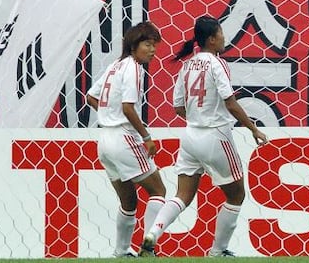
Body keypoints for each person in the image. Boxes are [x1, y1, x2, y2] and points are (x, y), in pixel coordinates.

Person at [138, 16, 267, 257]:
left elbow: (178, 106)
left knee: (182, 195)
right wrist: (253, 129)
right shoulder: (217, 64)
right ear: (211, 39)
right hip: (215, 135)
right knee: (236, 194)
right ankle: (218, 251)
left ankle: (153, 233)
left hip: (190, 136)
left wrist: (198, 114)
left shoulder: (188, 65)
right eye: (221, 34)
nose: (224, 38)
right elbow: (231, 103)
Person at [86, 21, 166, 257]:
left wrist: (107, 115)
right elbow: (129, 108)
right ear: (134, 46)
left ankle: (121, 251)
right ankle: (148, 248)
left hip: (105, 142)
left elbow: (92, 96)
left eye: (154, 45)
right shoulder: (133, 68)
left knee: (128, 201)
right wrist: (147, 137)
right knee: (158, 190)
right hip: (123, 138)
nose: (152, 50)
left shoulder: (115, 65)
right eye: (147, 44)